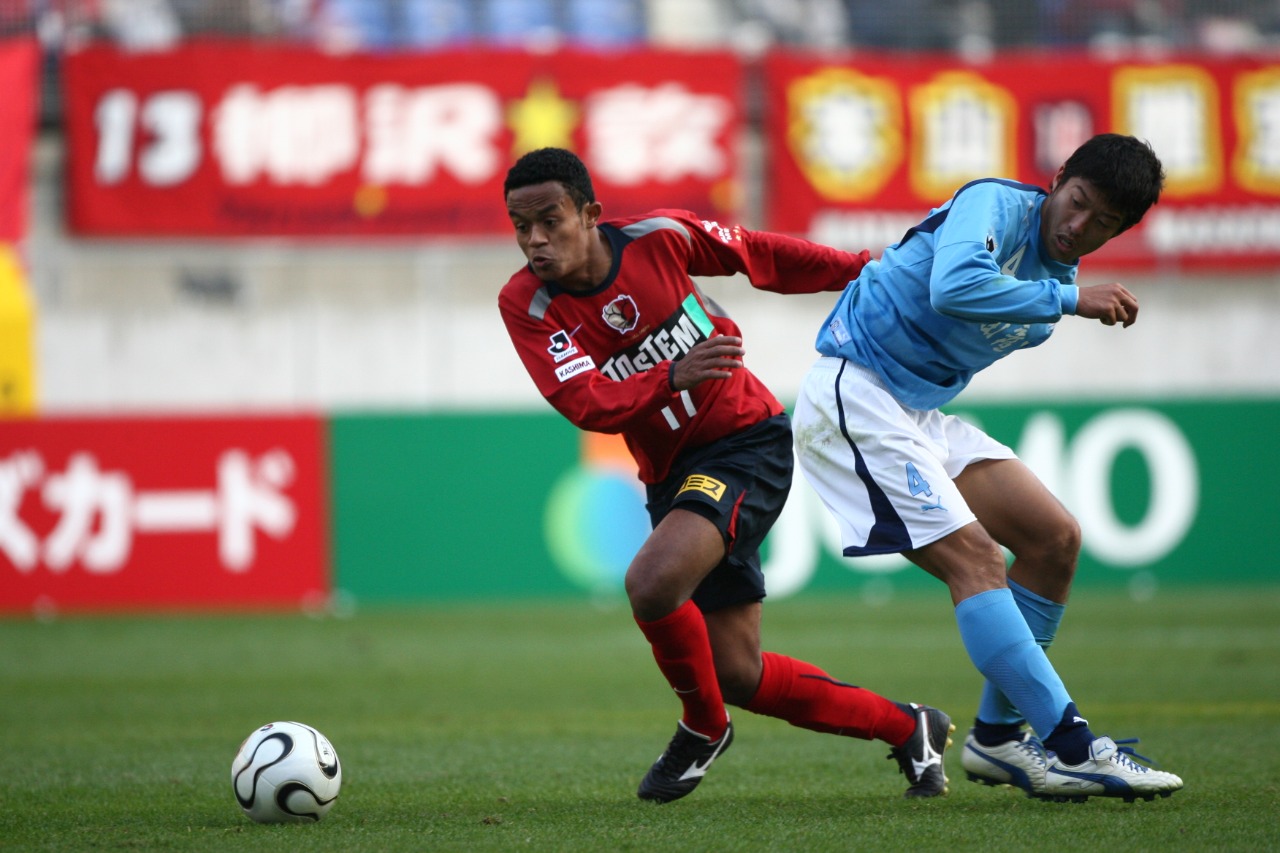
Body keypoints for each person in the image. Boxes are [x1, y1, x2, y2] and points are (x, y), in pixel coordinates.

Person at [498, 147, 953, 804]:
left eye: (551, 220)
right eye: (521, 226)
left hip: (746, 442)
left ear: (591, 214)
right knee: (738, 671)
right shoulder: (528, 303)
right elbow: (585, 401)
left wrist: (865, 272)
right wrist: (671, 376)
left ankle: (703, 728)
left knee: (652, 583)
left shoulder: (659, 238)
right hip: (672, 474)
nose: (536, 240)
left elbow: (759, 255)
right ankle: (909, 727)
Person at [792, 133, 1184, 803]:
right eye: (1078, 203)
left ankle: (998, 739)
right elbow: (952, 287)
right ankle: (1074, 745)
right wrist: (1070, 301)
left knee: (1052, 537)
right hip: (853, 390)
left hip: (913, 412)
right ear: (1058, 180)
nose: (1079, 227)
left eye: (1104, 224)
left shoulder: (1055, 285)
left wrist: (1062, 298)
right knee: (977, 561)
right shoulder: (994, 205)